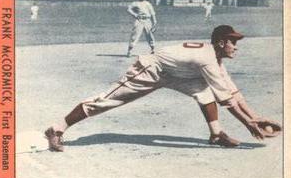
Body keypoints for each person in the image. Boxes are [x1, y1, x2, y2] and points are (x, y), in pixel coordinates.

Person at [45, 25, 278, 152]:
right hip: (152, 69)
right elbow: (227, 101)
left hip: (179, 73)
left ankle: (216, 135)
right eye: (233, 42)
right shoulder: (208, 59)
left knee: (204, 92)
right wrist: (249, 124)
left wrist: (255, 117)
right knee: (106, 100)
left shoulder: (214, 58)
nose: (236, 46)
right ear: (220, 43)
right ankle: (57, 128)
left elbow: (233, 92)